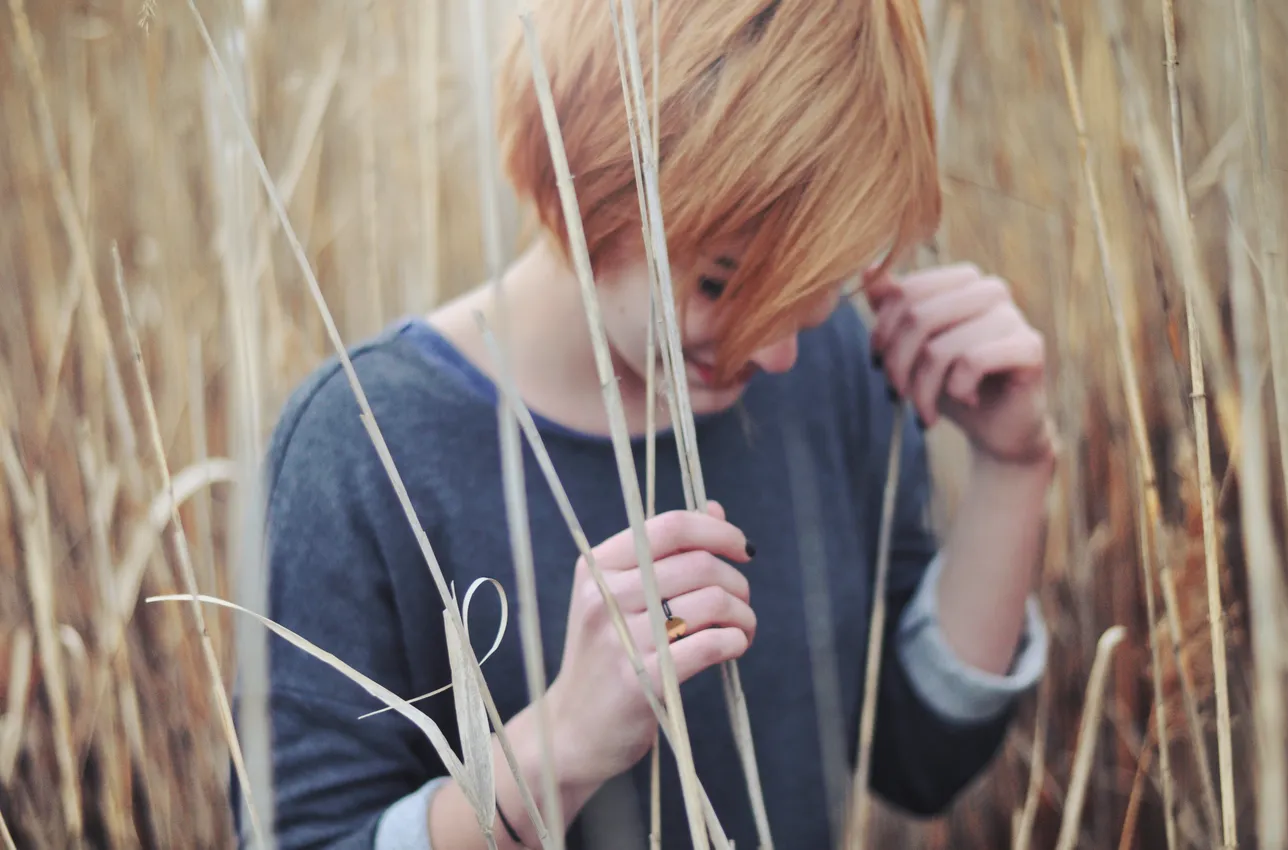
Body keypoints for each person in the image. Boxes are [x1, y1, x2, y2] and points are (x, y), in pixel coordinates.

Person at [257, 0, 1054, 847]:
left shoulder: (828, 368)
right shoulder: (363, 446)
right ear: (591, 176)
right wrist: (558, 746)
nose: (777, 349)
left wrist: (1015, 467)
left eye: (818, 290)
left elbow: (916, 755)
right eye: (721, 282)